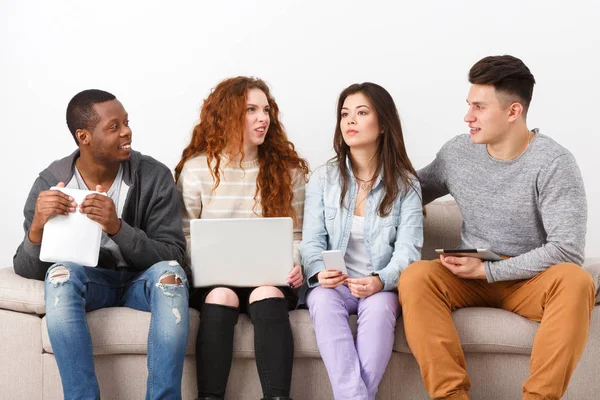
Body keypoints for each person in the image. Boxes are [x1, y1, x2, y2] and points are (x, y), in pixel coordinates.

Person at [398, 55, 595, 400]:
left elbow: (568, 250)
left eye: (478, 107)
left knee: (576, 280)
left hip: (529, 280)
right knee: (416, 277)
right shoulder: (458, 152)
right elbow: (406, 196)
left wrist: (490, 271)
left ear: (513, 111)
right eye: (468, 105)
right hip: (466, 278)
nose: (467, 117)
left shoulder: (554, 163)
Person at [13, 89, 189, 400]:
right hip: (91, 282)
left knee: (172, 278)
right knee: (60, 276)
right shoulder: (50, 181)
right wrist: (38, 227)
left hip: (141, 281)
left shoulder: (155, 176)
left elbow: (174, 255)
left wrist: (117, 227)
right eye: (114, 127)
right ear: (84, 136)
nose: (127, 132)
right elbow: (28, 269)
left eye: (126, 122)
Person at [175, 76, 309, 400]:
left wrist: (296, 261)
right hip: (214, 279)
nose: (263, 118)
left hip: (270, 277)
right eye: (251, 109)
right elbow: (183, 236)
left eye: (265, 110)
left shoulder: (289, 171)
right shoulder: (195, 170)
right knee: (221, 295)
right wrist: (208, 258)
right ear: (227, 114)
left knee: (266, 292)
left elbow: (299, 234)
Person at [300, 82, 423, 400]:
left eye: (361, 112)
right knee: (322, 301)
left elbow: (408, 252)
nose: (349, 121)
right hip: (335, 285)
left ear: (382, 124)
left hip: (379, 287)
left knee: (382, 310)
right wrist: (318, 272)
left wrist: (380, 281)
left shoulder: (406, 185)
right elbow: (311, 241)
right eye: (344, 114)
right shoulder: (322, 178)